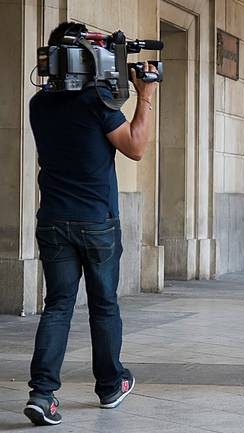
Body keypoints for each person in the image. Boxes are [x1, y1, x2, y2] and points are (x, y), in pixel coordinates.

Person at [24, 22, 159, 426]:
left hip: (52, 219)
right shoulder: (97, 101)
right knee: (103, 306)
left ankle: (42, 394)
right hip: (96, 221)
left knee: (58, 306)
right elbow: (135, 147)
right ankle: (109, 385)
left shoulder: (39, 103)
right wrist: (146, 96)